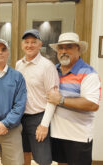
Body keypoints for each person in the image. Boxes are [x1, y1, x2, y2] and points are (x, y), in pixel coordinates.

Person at [47, 32, 101, 165]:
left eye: (69, 47)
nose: (64, 51)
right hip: (57, 133)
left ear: (78, 49)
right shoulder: (53, 70)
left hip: (79, 137)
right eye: (61, 48)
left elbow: (92, 105)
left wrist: (61, 100)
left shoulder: (89, 74)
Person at [16, 29, 59, 165]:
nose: (30, 45)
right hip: (20, 117)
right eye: (27, 42)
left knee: (43, 159)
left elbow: (53, 98)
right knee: (23, 154)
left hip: (38, 118)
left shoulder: (47, 66)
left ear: (40, 45)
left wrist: (44, 124)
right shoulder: (18, 64)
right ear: (22, 45)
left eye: (33, 42)